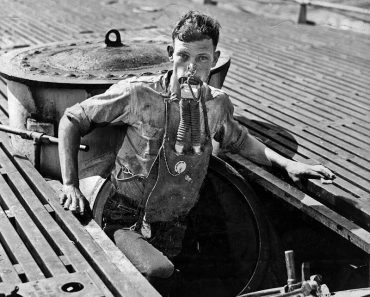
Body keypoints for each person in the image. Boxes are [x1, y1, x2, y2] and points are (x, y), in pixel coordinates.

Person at [58, 10, 335, 289]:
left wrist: (287, 164)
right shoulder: (139, 94)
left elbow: (240, 140)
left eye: (202, 58)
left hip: (176, 224)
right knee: (158, 271)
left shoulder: (216, 105)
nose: (191, 67)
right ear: (170, 53)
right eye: (183, 56)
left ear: (214, 60)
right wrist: (70, 184)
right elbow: (72, 119)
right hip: (126, 220)